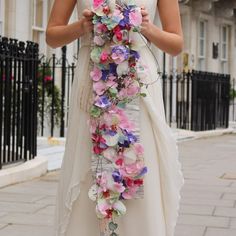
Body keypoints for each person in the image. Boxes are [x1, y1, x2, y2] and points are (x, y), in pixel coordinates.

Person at [46, 0, 185, 235]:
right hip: (93, 80)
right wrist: (82, 26)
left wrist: (147, 28)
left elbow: (176, 44)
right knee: (89, 163)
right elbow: (52, 35)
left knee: (138, 163)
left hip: (138, 83)